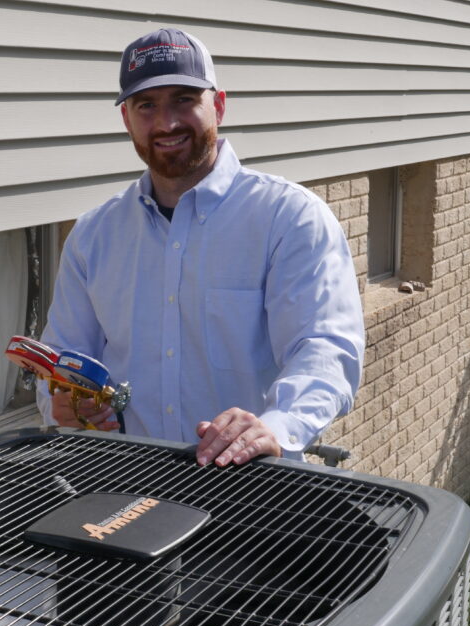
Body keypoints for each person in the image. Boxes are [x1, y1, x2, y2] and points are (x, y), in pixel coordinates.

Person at [37, 27, 364, 467]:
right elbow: (61, 363)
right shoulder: (93, 237)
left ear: (219, 106)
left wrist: (278, 424)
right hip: (125, 486)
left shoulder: (288, 218)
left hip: (252, 492)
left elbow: (326, 350)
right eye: (146, 105)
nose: (166, 123)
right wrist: (61, 403)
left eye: (184, 100)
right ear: (126, 119)